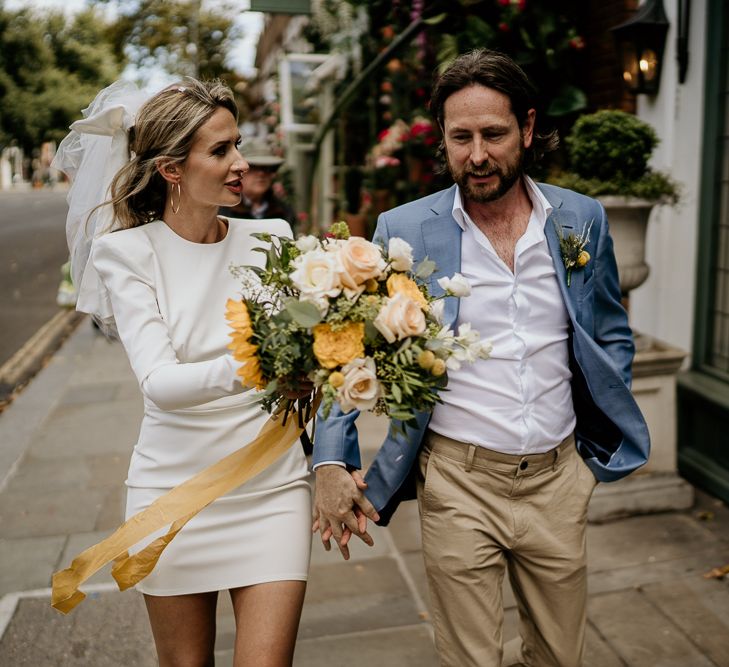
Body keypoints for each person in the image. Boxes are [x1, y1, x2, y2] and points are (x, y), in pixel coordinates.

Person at [312, 49, 650, 667]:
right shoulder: (404, 229)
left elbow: (609, 329)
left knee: (558, 656)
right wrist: (331, 459)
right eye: (459, 137)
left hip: (558, 479)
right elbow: (348, 349)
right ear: (441, 138)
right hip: (457, 482)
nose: (477, 155)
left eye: (493, 134)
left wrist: (589, 459)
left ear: (526, 127)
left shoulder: (580, 219)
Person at [56, 79, 311, 666]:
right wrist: (267, 365)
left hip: (272, 487)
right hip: (173, 493)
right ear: (172, 168)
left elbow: (306, 354)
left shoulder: (273, 239)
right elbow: (162, 386)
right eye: (220, 151)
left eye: (237, 145)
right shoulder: (126, 254)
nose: (241, 163)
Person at [219, 136, 296, 226]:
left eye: (267, 168)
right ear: (238, 171)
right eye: (253, 167)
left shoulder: (284, 211)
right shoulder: (220, 212)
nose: (261, 174)